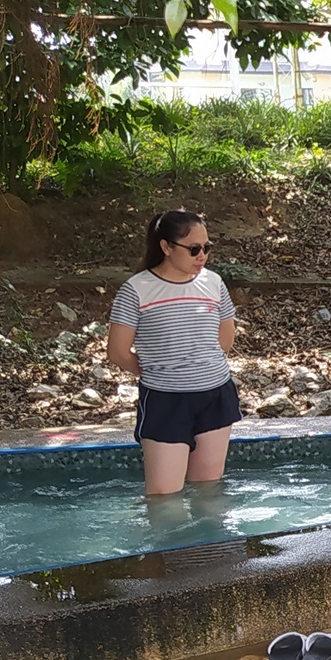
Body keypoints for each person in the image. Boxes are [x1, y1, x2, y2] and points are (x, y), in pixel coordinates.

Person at [108, 209, 239, 496]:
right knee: (163, 497)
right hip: (165, 401)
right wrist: (158, 370)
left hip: (215, 394)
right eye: (193, 249)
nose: (202, 256)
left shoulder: (214, 283)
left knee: (209, 490)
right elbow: (117, 351)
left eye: (206, 248)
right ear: (166, 247)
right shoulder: (136, 289)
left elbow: (225, 340)